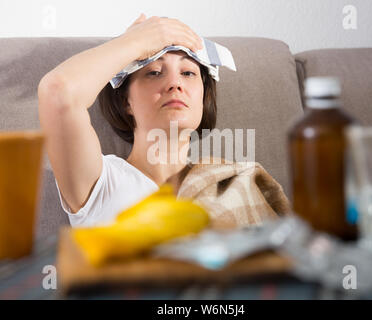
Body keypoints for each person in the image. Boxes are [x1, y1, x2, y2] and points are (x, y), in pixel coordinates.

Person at [38, 14, 291, 229]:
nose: (175, 83)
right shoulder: (102, 183)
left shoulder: (231, 184)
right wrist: (136, 42)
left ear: (203, 98)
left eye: (188, 73)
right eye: (155, 72)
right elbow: (58, 92)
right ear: (126, 101)